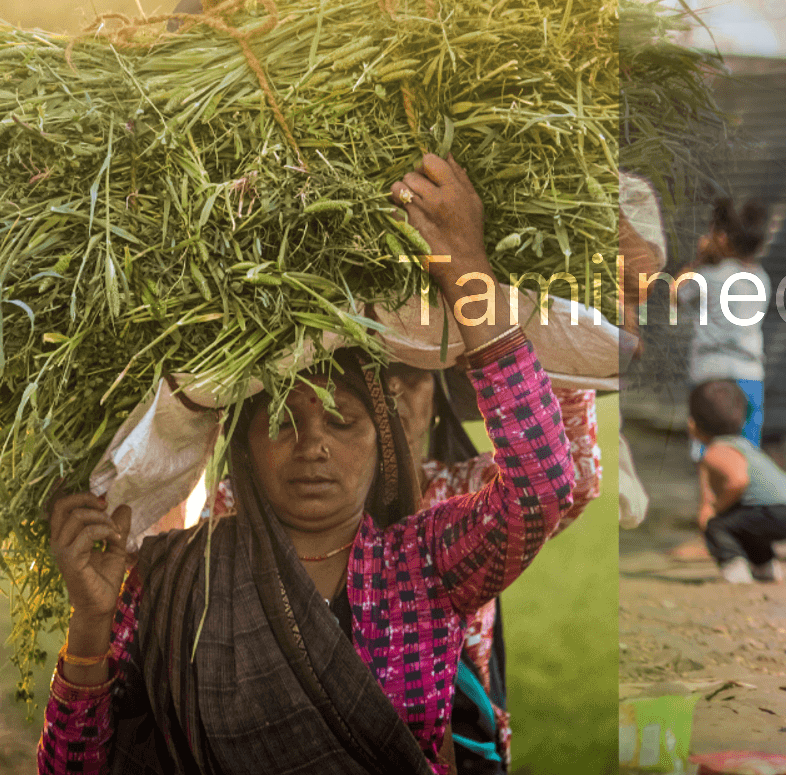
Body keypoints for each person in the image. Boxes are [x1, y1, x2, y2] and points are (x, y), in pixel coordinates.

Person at [38, 154, 577, 774]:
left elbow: (540, 490)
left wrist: (467, 270)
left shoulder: (424, 564)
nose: (312, 445)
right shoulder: (170, 580)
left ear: (385, 442)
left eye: (342, 421)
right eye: (284, 421)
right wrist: (89, 624)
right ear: (243, 444)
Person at [382, 363, 602, 774]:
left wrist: (560, 346)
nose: (393, 388)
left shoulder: (461, 490)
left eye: (412, 372)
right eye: (375, 371)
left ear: (436, 399)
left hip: (458, 729)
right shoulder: (294, 503)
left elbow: (569, 478)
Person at [690, 379, 786, 584]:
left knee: (717, 526)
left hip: (777, 510)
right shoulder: (743, 445)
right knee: (745, 525)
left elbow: (737, 481)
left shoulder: (716, 451)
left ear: (694, 424)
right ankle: (765, 568)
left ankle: (735, 570)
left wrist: (715, 508)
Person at [677, 197, 770, 447]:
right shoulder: (762, 278)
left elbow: (676, 293)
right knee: (747, 458)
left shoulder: (708, 275)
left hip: (710, 374)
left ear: (722, 238)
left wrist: (699, 259)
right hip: (750, 375)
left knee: (709, 457)